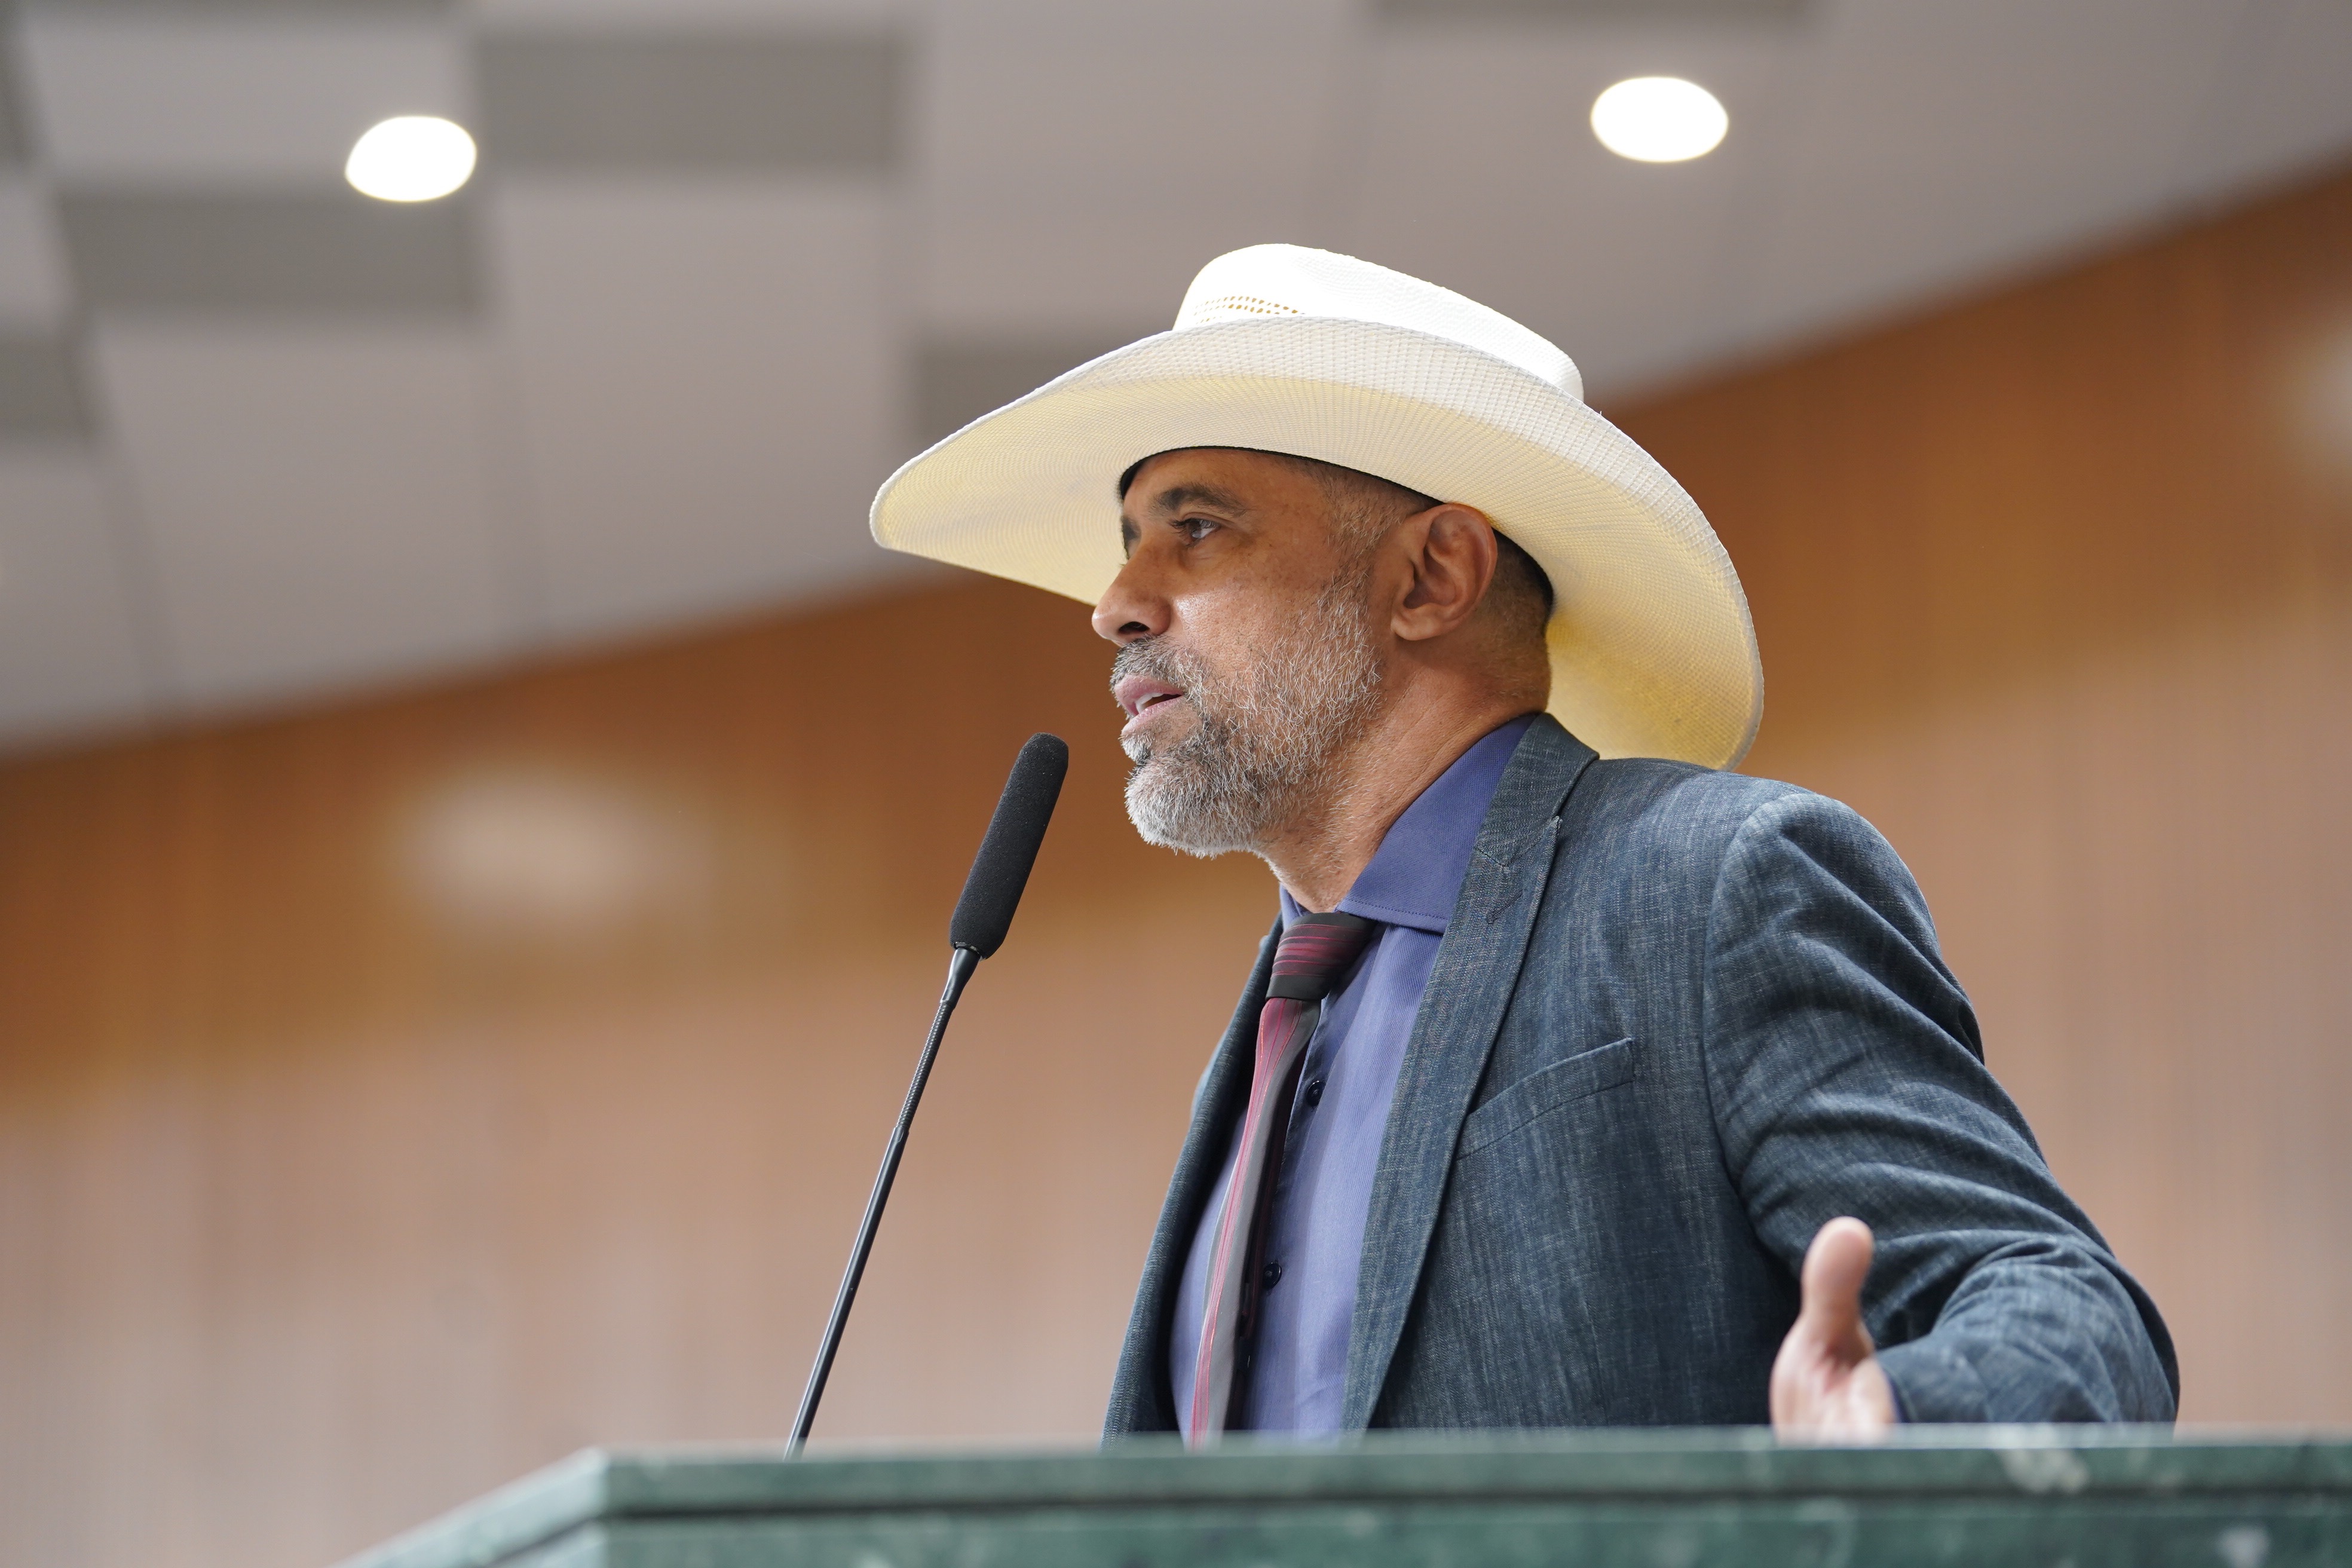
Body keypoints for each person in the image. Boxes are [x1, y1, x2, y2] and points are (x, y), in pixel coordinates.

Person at [871, 244, 2177, 1441]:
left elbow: (2069, 1312)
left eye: (1195, 528)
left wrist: (1900, 1423)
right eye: (1128, 545)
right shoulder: (1284, 1015)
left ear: (1432, 577)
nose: (1114, 604)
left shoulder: (1715, 885)